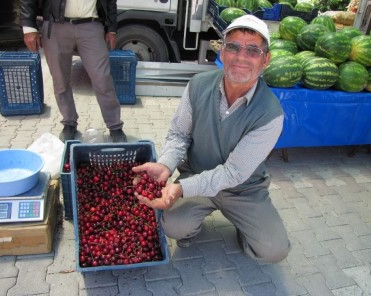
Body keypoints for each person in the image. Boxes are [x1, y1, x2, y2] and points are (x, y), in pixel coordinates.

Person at [133, 14, 291, 263]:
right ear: (222, 52)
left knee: (274, 250)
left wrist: (182, 188)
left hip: (243, 189)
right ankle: (193, 223)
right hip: (197, 173)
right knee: (173, 227)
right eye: (233, 47)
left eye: (252, 50)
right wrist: (166, 164)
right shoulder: (198, 85)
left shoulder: (270, 114)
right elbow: (179, 134)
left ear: (265, 60)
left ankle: (244, 227)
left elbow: (233, 174)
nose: (240, 57)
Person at [20, 0, 127, 143]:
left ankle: (115, 126)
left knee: (102, 78)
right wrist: (29, 27)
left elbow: (110, 2)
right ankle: (69, 122)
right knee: (60, 80)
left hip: (92, 26)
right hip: (56, 25)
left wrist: (112, 29)